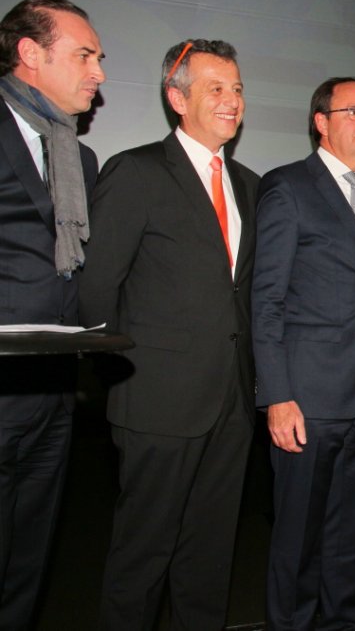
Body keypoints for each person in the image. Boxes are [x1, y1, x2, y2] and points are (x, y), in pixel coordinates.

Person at [79, 39, 259, 629]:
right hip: (157, 402)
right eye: (216, 88)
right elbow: (97, 291)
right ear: (176, 98)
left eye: (235, 88)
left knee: (208, 559)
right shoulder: (135, 171)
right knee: (142, 558)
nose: (231, 100)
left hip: (230, 402)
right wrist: (117, 385)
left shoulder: (251, 185)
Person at [252, 77, 355, 629]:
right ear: (321, 120)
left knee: (351, 533)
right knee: (298, 536)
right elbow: (266, 299)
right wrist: (277, 395)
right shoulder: (288, 186)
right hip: (309, 397)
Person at [0, 0, 104, 629]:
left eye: (99, 58)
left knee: (27, 560)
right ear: (29, 54)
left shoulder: (79, 158)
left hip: (53, 391)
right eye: (84, 55)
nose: (97, 72)